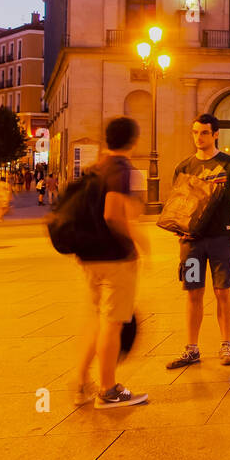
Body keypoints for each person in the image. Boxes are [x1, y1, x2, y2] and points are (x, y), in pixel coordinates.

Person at [74, 116, 150, 409]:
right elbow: (112, 213)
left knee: (100, 319)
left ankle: (82, 381)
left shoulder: (97, 166)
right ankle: (108, 390)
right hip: (114, 258)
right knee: (113, 323)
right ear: (133, 140)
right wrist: (138, 242)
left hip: (89, 257)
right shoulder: (120, 168)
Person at [166, 114, 230, 369]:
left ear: (215, 134)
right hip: (191, 243)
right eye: (195, 132)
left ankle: (226, 344)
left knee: (222, 290)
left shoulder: (229, 164)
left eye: (203, 133)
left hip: (221, 238)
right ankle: (192, 348)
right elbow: (177, 204)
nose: (198, 137)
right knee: (193, 292)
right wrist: (176, 228)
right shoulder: (184, 167)